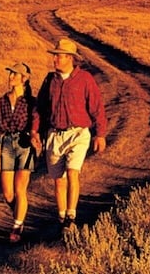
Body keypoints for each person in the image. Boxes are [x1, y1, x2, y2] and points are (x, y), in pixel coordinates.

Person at [37, 38, 106, 227]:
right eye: (55, 57)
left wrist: (100, 134)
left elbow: (96, 107)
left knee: (72, 172)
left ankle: (71, 216)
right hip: (54, 135)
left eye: (58, 57)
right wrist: (36, 133)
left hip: (78, 133)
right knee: (59, 181)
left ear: (69, 58)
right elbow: (40, 109)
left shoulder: (85, 79)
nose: (55, 60)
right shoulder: (50, 80)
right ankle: (62, 219)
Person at [0, 63, 41, 243]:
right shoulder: (0, 102)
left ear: (24, 79)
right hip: (7, 144)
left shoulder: (31, 102)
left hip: (25, 144)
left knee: (20, 189)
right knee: (8, 194)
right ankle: (21, 214)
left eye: (15, 74)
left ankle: (17, 227)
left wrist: (35, 137)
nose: (11, 77)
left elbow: (36, 122)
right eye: (10, 73)